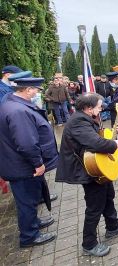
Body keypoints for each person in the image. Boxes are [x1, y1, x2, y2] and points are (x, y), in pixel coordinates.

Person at [55, 93, 118, 256]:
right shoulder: (78, 121)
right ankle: (89, 244)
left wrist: (112, 132)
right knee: (94, 206)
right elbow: (95, 142)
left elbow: (96, 136)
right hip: (88, 169)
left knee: (108, 196)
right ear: (88, 108)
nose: (101, 108)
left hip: (97, 166)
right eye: (99, 106)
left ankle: (113, 226)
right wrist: (114, 144)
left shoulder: (85, 118)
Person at [0, 77, 58, 248]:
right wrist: (38, 163)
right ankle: (29, 236)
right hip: (23, 166)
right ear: (27, 90)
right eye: (36, 90)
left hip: (18, 163)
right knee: (26, 201)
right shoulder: (18, 111)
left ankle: (33, 223)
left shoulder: (11, 103)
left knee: (29, 199)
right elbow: (26, 143)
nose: (37, 93)